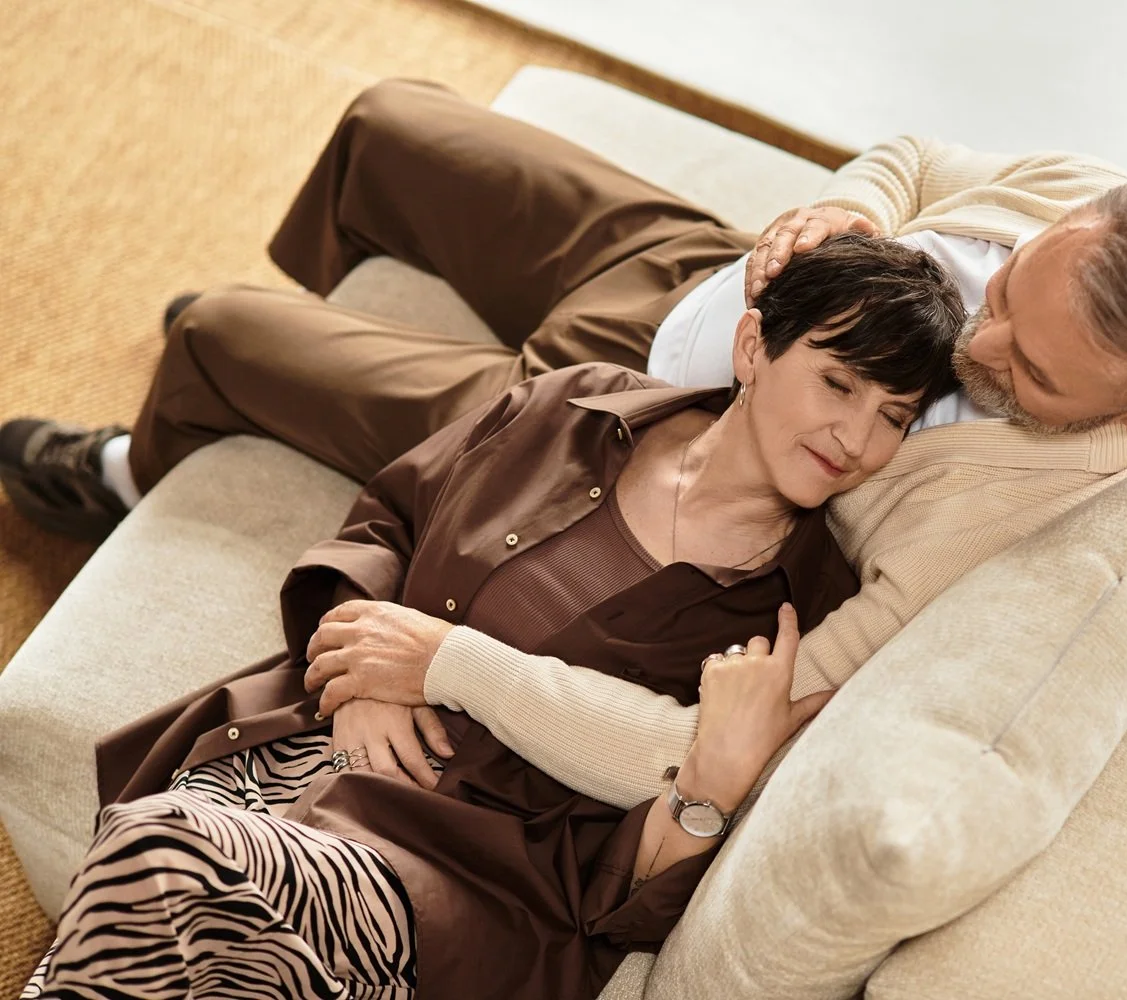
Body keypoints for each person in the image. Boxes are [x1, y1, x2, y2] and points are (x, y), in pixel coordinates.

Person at [1, 81, 1127, 816]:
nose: (979, 337)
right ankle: (266, 366)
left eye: (1029, 370)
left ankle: (137, 460)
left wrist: (459, 664)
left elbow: (757, 712)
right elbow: (924, 156)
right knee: (388, 125)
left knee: (223, 334)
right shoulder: (1082, 214)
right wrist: (850, 210)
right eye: (1006, 293)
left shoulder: (1014, 514)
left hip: (607, 425)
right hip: (702, 276)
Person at [20, 234, 967, 999]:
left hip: (453, 881)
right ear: (755, 345)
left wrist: (707, 796)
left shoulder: (806, 609)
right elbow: (390, 519)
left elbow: (640, 881)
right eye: (838, 382)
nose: (855, 437)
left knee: (162, 854)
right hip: (298, 747)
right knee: (173, 929)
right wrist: (356, 673)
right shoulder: (577, 405)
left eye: (894, 414)